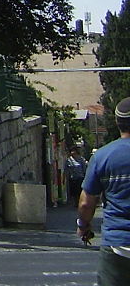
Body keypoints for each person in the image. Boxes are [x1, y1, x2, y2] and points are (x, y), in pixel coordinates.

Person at [77, 96, 130, 285]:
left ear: (116, 122)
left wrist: (83, 226)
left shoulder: (102, 156)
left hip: (117, 244)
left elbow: (86, 203)